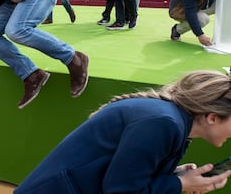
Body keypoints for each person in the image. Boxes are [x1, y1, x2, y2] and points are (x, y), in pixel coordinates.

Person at [15, 70, 231, 193]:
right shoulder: (163, 123)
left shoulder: (171, 121)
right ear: (212, 117)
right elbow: (121, 191)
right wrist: (180, 184)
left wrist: (176, 176)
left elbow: (124, 173)